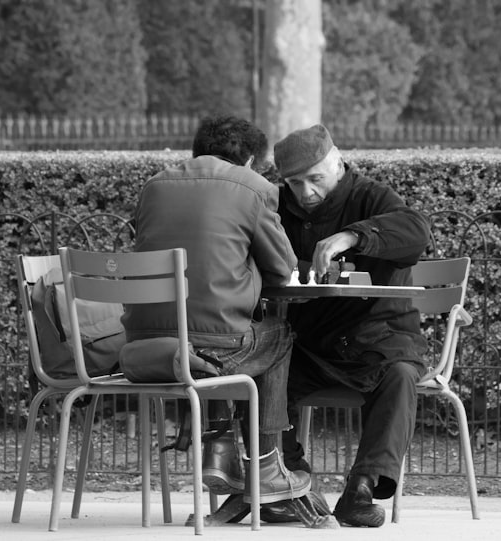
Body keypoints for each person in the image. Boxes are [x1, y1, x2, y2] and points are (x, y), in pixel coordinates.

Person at [121, 114, 311, 504]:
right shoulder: (252, 187)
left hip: (147, 348)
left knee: (204, 327)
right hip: (216, 347)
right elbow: (282, 267)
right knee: (276, 336)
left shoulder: (154, 187)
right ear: (248, 161)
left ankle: (221, 447)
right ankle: (267, 465)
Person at [272, 124, 431, 528]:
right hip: (309, 343)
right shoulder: (276, 205)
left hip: (380, 337)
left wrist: (351, 237)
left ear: (338, 163)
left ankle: (361, 490)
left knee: (399, 376)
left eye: (315, 179)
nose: (305, 192)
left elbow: (416, 232)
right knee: (263, 373)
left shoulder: (372, 196)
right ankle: (290, 483)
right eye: (294, 183)